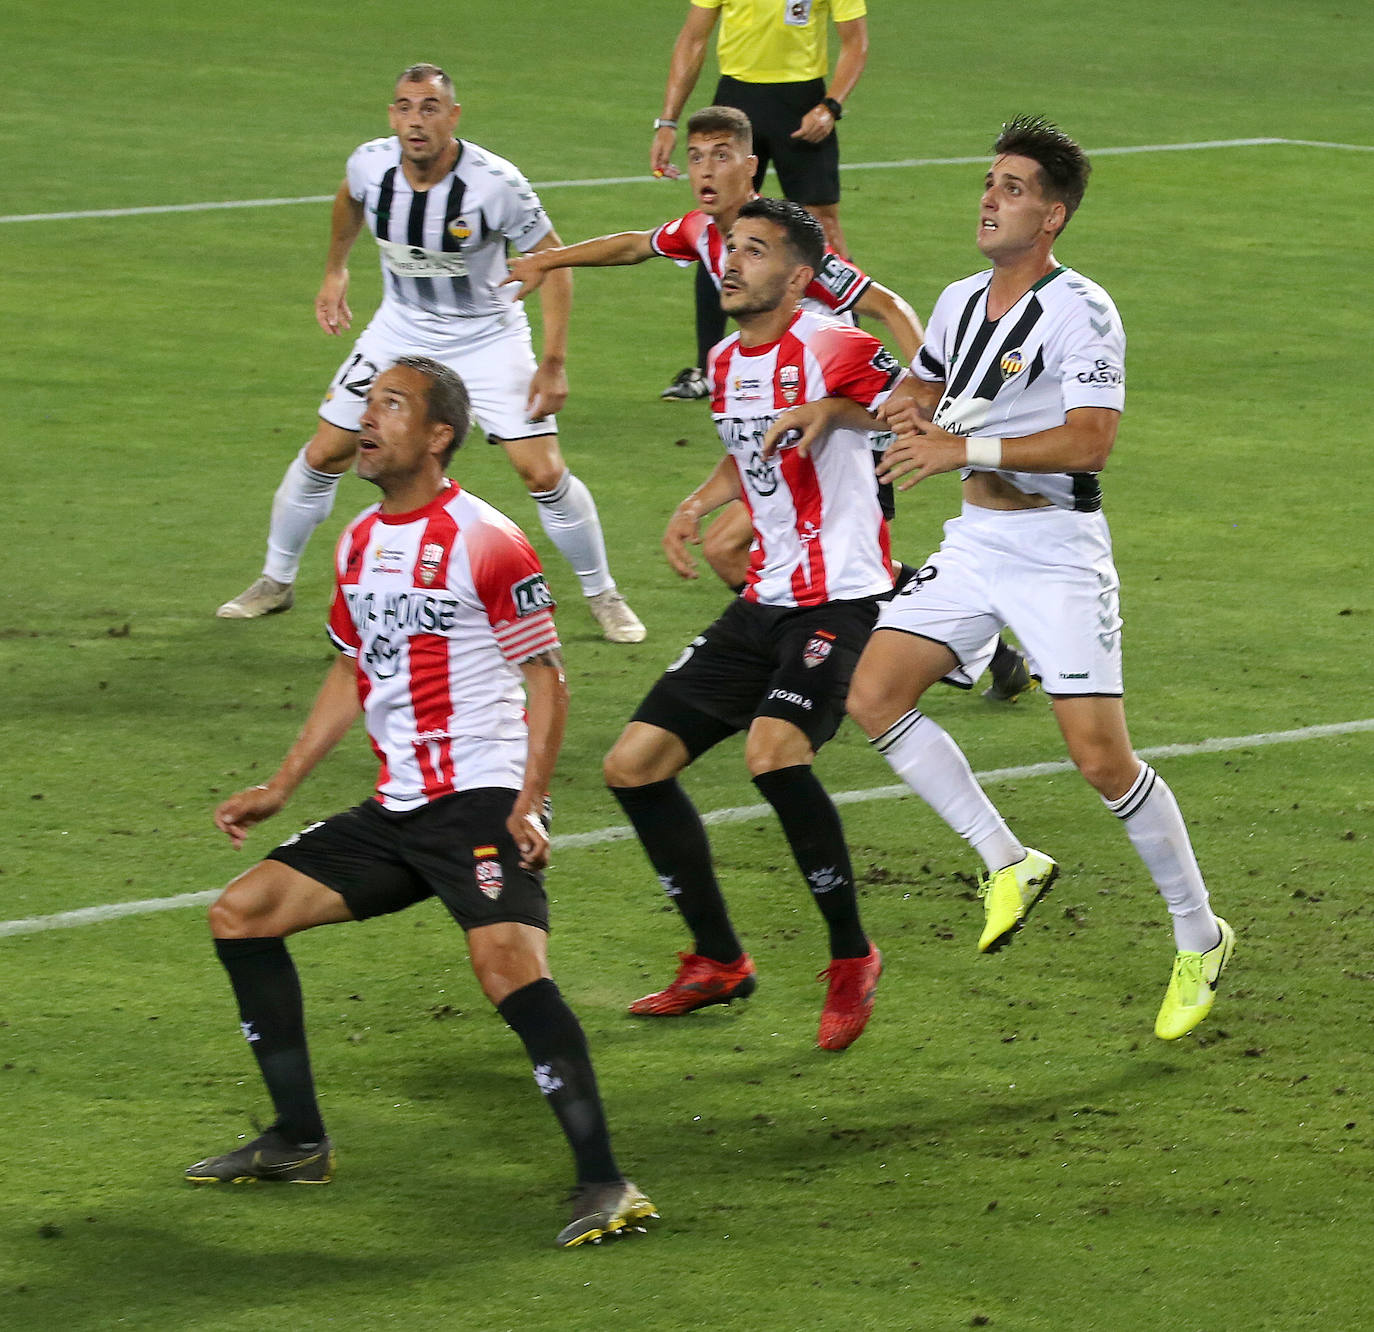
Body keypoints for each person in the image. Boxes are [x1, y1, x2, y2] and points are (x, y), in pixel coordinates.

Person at [188, 356, 656, 1248]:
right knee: (241, 915)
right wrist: (282, 784)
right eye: (367, 405)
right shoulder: (359, 538)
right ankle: (297, 1140)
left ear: (437, 434)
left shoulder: (488, 538)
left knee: (509, 970)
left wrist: (530, 800)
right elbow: (350, 662)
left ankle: (606, 1182)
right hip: (398, 806)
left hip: (481, 799)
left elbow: (548, 678)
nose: (368, 421)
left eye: (390, 406)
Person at [842, 116, 1234, 1039]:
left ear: (1052, 216)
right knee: (872, 690)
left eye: (1012, 188)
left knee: (1100, 759)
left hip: (1057, 550)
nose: (989, 197)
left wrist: (957, 444)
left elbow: (1092, 440)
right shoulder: (953, 300)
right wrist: (895, 405)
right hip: (978, 539)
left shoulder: (1081, 310)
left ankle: (1199, 930)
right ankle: (1006, 859)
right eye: (989, 182)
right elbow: (928, 394)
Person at [506, 106, 1036, 702]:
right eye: (697, 155)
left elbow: (886, 305)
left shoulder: (789, 249)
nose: (706, 169)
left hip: (839, 427)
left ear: (750, 166)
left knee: (811, 563)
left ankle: (836, 655)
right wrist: (546, 261)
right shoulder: (704, 235)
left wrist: (927, 387)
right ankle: (957, 652)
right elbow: (632, 246)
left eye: (721, 155)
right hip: (776, 420)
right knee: (790, 559)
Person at [602, 198, 899, 1052]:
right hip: (763, 601)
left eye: (756, 251)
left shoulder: (831, 342)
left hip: (841, 597)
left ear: (799, 277)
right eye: (730, 248)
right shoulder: (727, 358)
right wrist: (699, 501)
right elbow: (749, 448)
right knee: (633, 767)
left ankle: (851, 955)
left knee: (774, 751)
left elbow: (928, 402)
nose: (731, 263)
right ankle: (719, 960)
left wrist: (836, 413)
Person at [216, 63, 644, 645]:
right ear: (391, 115)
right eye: (404, 107)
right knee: (325, 453)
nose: (415, 121)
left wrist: (554, 360)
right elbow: (348, 201)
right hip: (400, 332)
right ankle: (275, 580)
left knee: (540, 471)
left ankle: (603, 594)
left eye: (429, 108)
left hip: (487, 336)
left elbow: (553, 260)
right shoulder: (370, 164)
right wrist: (335, 270)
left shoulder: (495, 183)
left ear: (453, 116)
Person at [650, 0, 869, 399]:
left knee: (822, 224)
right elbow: (693, 37)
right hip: (737, 98)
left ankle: (851, 359)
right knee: (720, 224)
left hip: (802, 102)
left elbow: (856, 42)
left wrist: (830, 106)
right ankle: (705, 369)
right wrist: (668, 121)